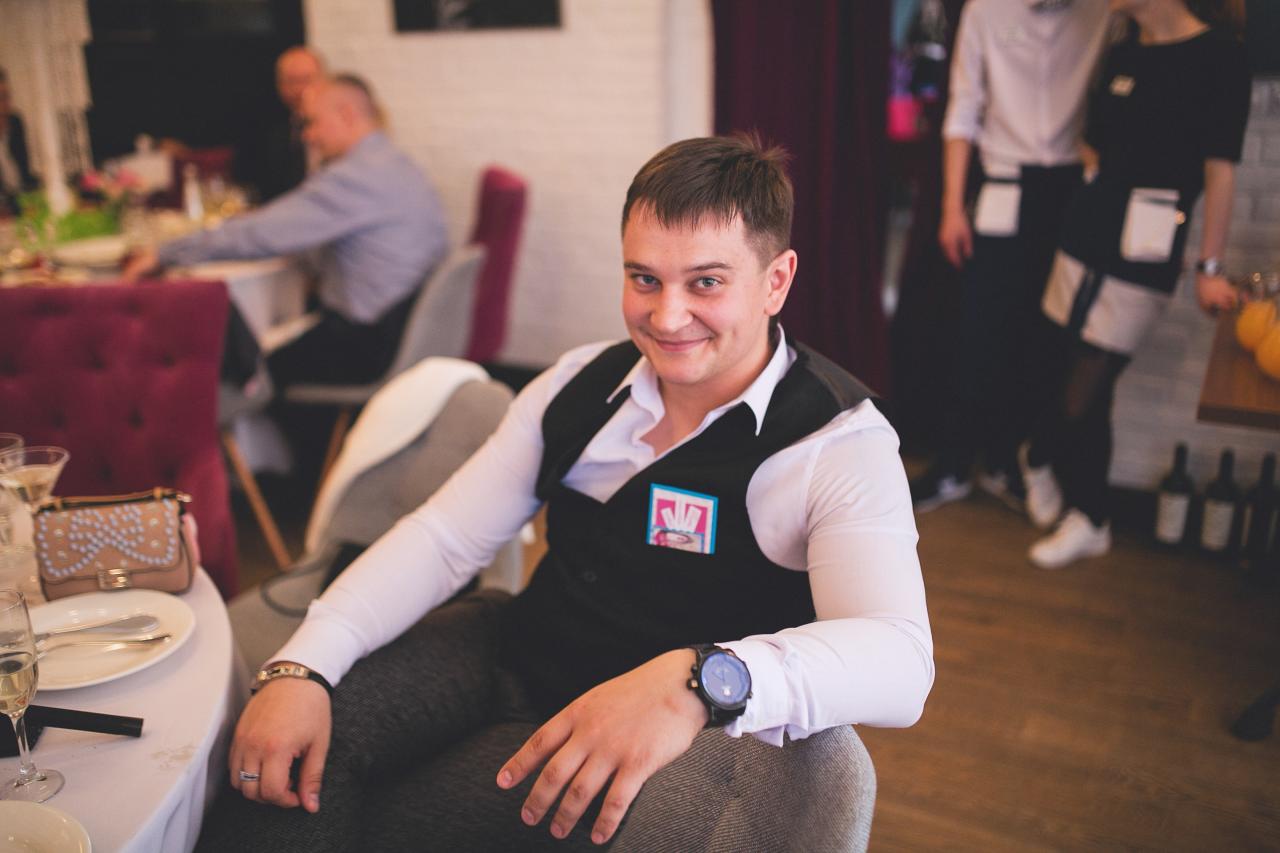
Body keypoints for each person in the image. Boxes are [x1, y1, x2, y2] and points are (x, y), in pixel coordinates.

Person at [196, 135, 934, 851]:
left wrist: (699, 680)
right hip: (512, 647)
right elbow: (445, 538)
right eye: (644, 279)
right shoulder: (579, 382)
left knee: (382, 818)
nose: (667, 316)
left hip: (646, 745)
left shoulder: (838, 443)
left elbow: (900, 661)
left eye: (706, 283)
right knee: (287, 754)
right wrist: (302, 664)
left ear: (776, 281)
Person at [1020, 0, 1251, 568]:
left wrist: (1210, 267)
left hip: (1146, 250)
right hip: (1084, 234)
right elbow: (1093, 139)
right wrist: (1099, 174)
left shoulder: (1221, 57)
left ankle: (1069, 490)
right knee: (1056, 361)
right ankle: (1072, 494)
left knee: (1089, 381)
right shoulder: (1122, 51)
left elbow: (1220, 171)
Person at [909, 0, 1112, 513]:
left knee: (1043, 338)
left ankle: (1007, 461)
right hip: (1003, 182)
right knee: (978, 329)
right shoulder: (985, 11)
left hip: (1071, 188)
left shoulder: (1104, 12)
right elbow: (962, 110)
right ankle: (954, 463)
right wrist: (952, 207)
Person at [123, 75, 448, 390]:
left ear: (347, 115)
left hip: (366, 345)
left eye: (312, 122)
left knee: (236, 365)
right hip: (402, 333)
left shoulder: (356, 176)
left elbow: (261, 235)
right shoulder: (395, 164)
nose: (308, 135)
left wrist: (164, 253)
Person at [238, 46, 327, 203]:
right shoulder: (266, 129)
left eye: (307, 79)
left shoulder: (340, 130)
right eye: (291, 81)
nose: (299, 89)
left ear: (324, 80)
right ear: (279, 85)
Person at [0, 66, 38, 217]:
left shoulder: (15, 122)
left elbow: (24, 170)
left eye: (7, 96)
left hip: (21, 199)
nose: (6, 104)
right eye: (1, 98)